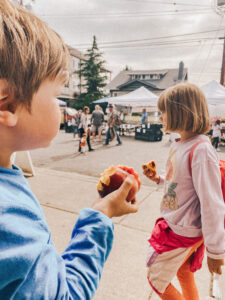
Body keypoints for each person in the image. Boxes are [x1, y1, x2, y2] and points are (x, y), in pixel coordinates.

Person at [0, 1, 139, 299]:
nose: (61, 107)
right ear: (6, 103)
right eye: (55, 95)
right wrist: (100, 216)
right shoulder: (8, 219)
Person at [143, 83, 225, 300]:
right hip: (178, 225)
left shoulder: (201, 150)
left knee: (156, 279)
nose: (160, 117)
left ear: (181, 111)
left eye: (163, 112)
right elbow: (179, 186)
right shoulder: (179, 144)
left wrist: (216, 252)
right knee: (183, 271)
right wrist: (159, 178)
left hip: (184, 231)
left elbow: (212, 203)